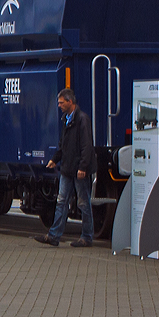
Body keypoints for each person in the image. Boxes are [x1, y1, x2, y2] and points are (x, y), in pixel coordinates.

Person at [35, 88, 95, 247]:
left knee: (83, 202)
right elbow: (64, 144)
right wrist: (55, 159)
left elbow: (86, 145)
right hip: (67, 168)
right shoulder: (67, 119)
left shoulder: (82, 119)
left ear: (70, 102)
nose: (59, 105)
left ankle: (87, 236)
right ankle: (54, 236)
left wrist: (83, 167)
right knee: (61, 201)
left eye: (61, 102)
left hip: (78, 169)